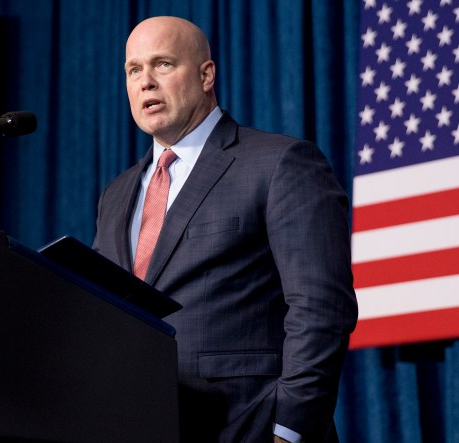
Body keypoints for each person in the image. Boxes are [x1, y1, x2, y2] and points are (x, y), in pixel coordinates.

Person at [91, 16, 358, 443]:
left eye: (162, 64)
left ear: (206, 75)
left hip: (249, 427)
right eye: (134, 69)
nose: (145, 82)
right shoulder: (116, 195)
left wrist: (290, 431)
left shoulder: (280, 163)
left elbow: (321, 307)